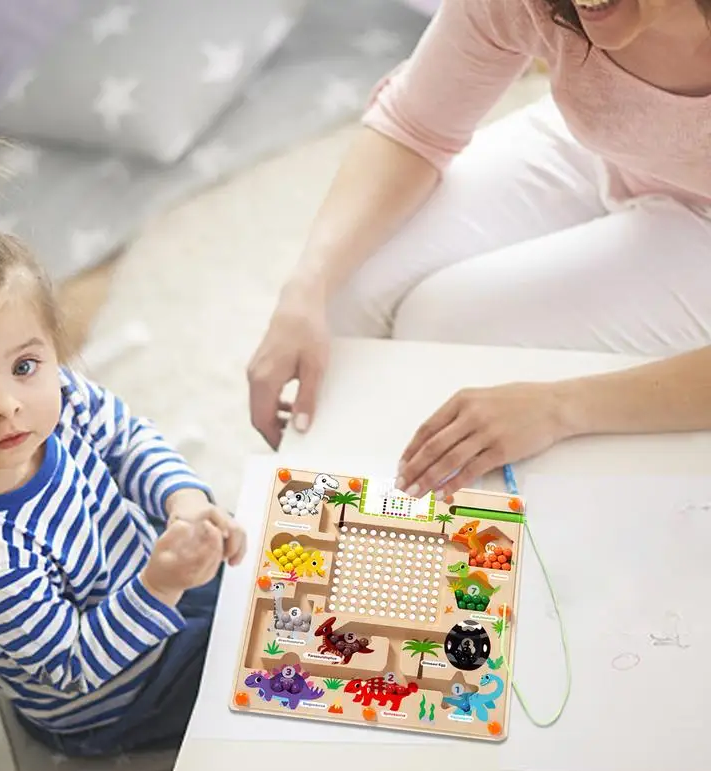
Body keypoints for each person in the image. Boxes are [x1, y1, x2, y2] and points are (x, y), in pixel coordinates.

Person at [247, 0, 711, 500]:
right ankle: (314, 524)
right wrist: (305, 288)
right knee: (348, 290)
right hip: (605, 145)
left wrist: (562, 406)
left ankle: (426, 523)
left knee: (446, 330)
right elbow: (414, 124)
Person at [0, 146, 247, 758]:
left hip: (150, 588)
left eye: (24, 364)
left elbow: (128, 437)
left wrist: (185, 502)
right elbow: (71, 666)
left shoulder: (55, 394)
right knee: (284, 686)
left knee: (290, 578)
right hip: (119, 695)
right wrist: (162, 584)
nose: (7, 404)